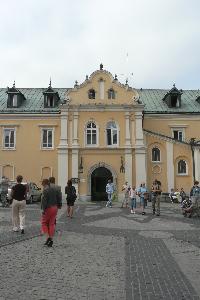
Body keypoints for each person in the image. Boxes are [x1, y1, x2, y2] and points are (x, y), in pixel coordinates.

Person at [41, 178, 62, 247]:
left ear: (44, 184)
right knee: (51, 224)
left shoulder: (45, 190)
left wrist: (43, 210)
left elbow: (44, 201)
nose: (42, 186)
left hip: (48, 208)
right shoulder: (54, 189)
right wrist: (59, 205)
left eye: (42, 184)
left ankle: (48, 238)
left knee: (44, 223)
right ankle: (51, 239)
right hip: (55, 207)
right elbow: (59, 197)